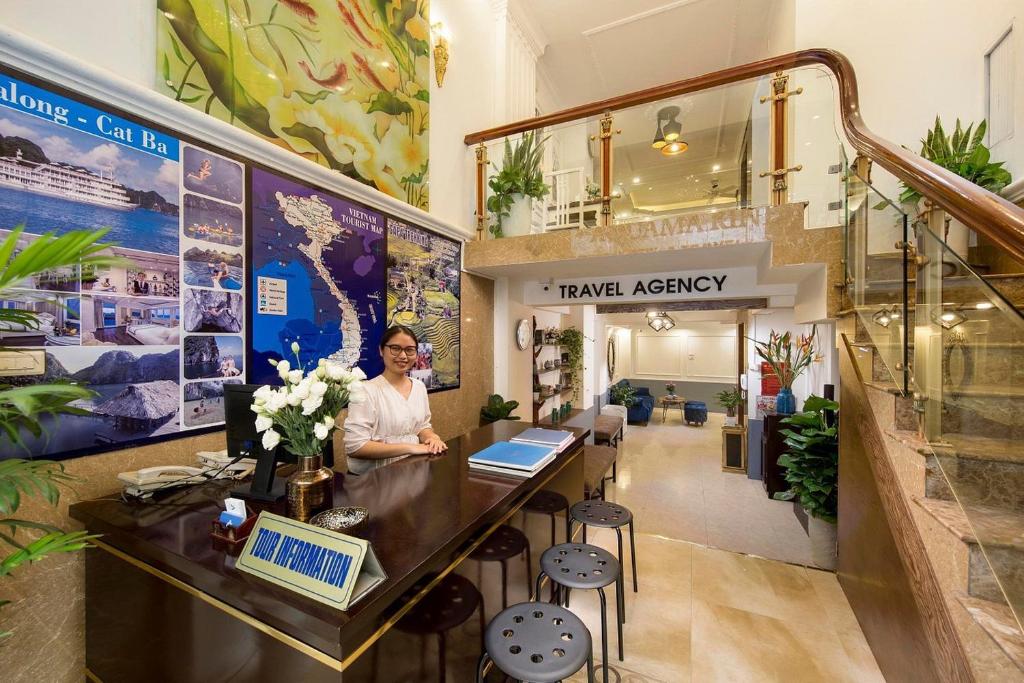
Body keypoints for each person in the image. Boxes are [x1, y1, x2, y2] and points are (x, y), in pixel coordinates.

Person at [344, 325, 447, 475]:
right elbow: (355, 447)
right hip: (375, 480)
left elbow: (422, 426)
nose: (403, 356)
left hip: (412, 471)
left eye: (410, 350)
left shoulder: (419, 387)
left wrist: (431, 437)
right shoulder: (366, 390)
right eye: (395, 348)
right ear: (381, 350)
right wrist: (411, 447)